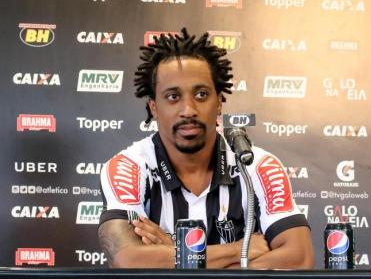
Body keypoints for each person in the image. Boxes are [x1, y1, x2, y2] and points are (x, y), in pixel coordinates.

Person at [98, 28, 315, 269]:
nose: (188, 109)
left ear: (219, 102)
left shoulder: (257, 165)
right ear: (153, 108)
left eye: (201, 94)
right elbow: (127, 260)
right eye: (172, 96)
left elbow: (299, 258)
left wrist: (174, 254)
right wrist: (239, 250)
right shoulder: (130, 166)